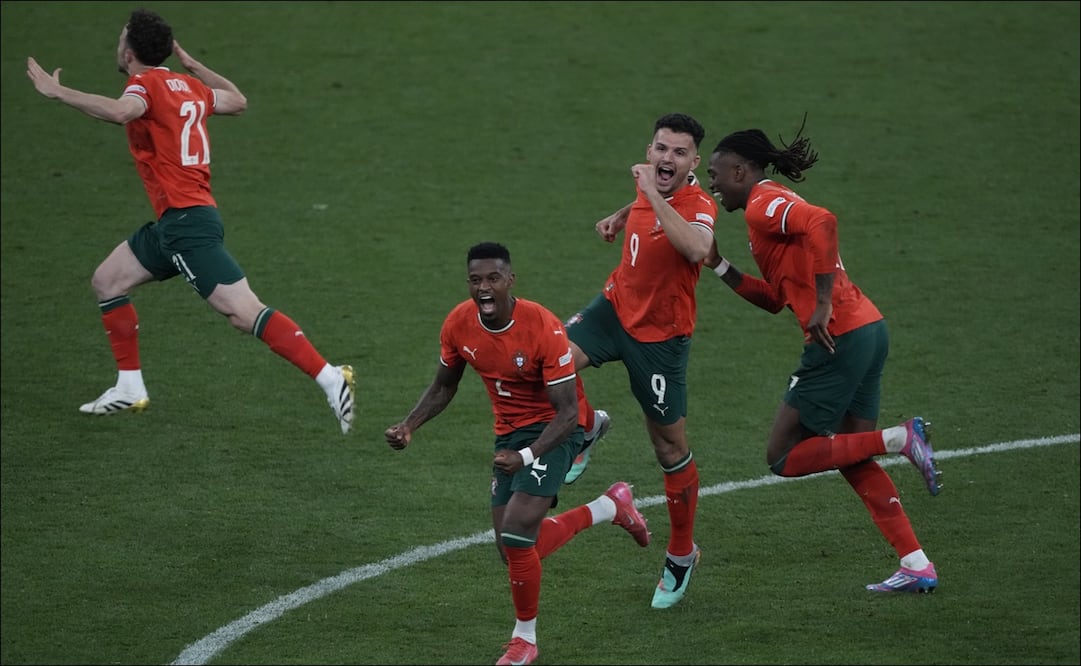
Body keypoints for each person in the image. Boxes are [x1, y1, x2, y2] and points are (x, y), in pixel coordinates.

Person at [25, 9, 356, 433]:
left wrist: (58, 92)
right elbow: (237, 100)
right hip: (176, 222)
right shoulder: (190, 87)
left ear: (129, 51)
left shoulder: (143, 85)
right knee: (108, 280)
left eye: (121, 37)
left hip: (186, 226)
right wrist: (193, 64)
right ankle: (129, 385)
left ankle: (330, 377)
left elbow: (122, 112)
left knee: (242, 312)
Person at [703, 118, 943, 593]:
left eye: (716, 173)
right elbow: (776, 299)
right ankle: (917, 564)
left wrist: (825, 303)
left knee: (783, 456)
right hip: (868, 329)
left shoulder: (763, 205)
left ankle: (899, 437)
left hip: (838, 336)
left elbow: (823, 221)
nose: (711, 185)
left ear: (741, 170)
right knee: (852, 456)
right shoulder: (764, 213)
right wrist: (718, 264)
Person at [384, 242, 650, 666]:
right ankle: (609, 507)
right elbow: (444, 385)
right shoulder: (459, 323)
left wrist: (526, 457)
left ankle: (524, 641)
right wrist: (409, 425)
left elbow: (564, 412)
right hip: (507, 434)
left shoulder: (542, 326)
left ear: (510, 281)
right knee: (513, 549)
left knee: (517, 529)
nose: (484, 288)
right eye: (475, 280)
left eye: (492, 279)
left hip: (556, 429)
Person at [563, 112, 718, 609]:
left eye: (678, 152)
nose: (665, 158)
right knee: (548, 361)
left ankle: (681, 553)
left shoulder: (699, 204)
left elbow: (696, 248)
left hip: (659, 340)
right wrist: (621, 215)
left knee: (669, 450)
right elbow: (646, 206)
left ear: (694, 162)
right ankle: (586, 426)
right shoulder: (649, 186)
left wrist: (650, 194)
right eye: (660, 148)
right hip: (613, 308)